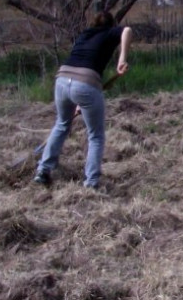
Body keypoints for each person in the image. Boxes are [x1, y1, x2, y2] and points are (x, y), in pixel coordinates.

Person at [35, 11, 133, 190]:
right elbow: (127, 30)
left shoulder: (85, 35)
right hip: (86, 84)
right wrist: (122, 59)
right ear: (111, 25)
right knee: (95, 136)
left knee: (62, 125)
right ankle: (91, 183)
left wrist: (79, 101)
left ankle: (43, 170)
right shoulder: (109, 33)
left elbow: (82, 63)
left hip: (63, 81)